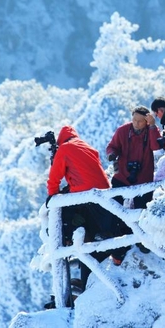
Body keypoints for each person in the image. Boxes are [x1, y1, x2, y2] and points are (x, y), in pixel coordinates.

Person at [45, 125, 114, 294]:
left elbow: (54, 177)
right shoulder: (87, 147)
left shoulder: (65, 149)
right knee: (93, 239)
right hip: (103, 194)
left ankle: (66, 239)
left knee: (65, 214)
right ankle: (88, 277)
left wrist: (53, 196)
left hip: (85, 194)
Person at [106, 106, 161, 208]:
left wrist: (153, 126)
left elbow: (155, 146)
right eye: (134, 120)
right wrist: (112, 154)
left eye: (140, 121)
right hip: (122, 175)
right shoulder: (123, 131)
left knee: (142, 210)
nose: (136, 123)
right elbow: (112, 146)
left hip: (144, 177)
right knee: (114, 207)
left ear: (146, 121)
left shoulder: (151, 130)